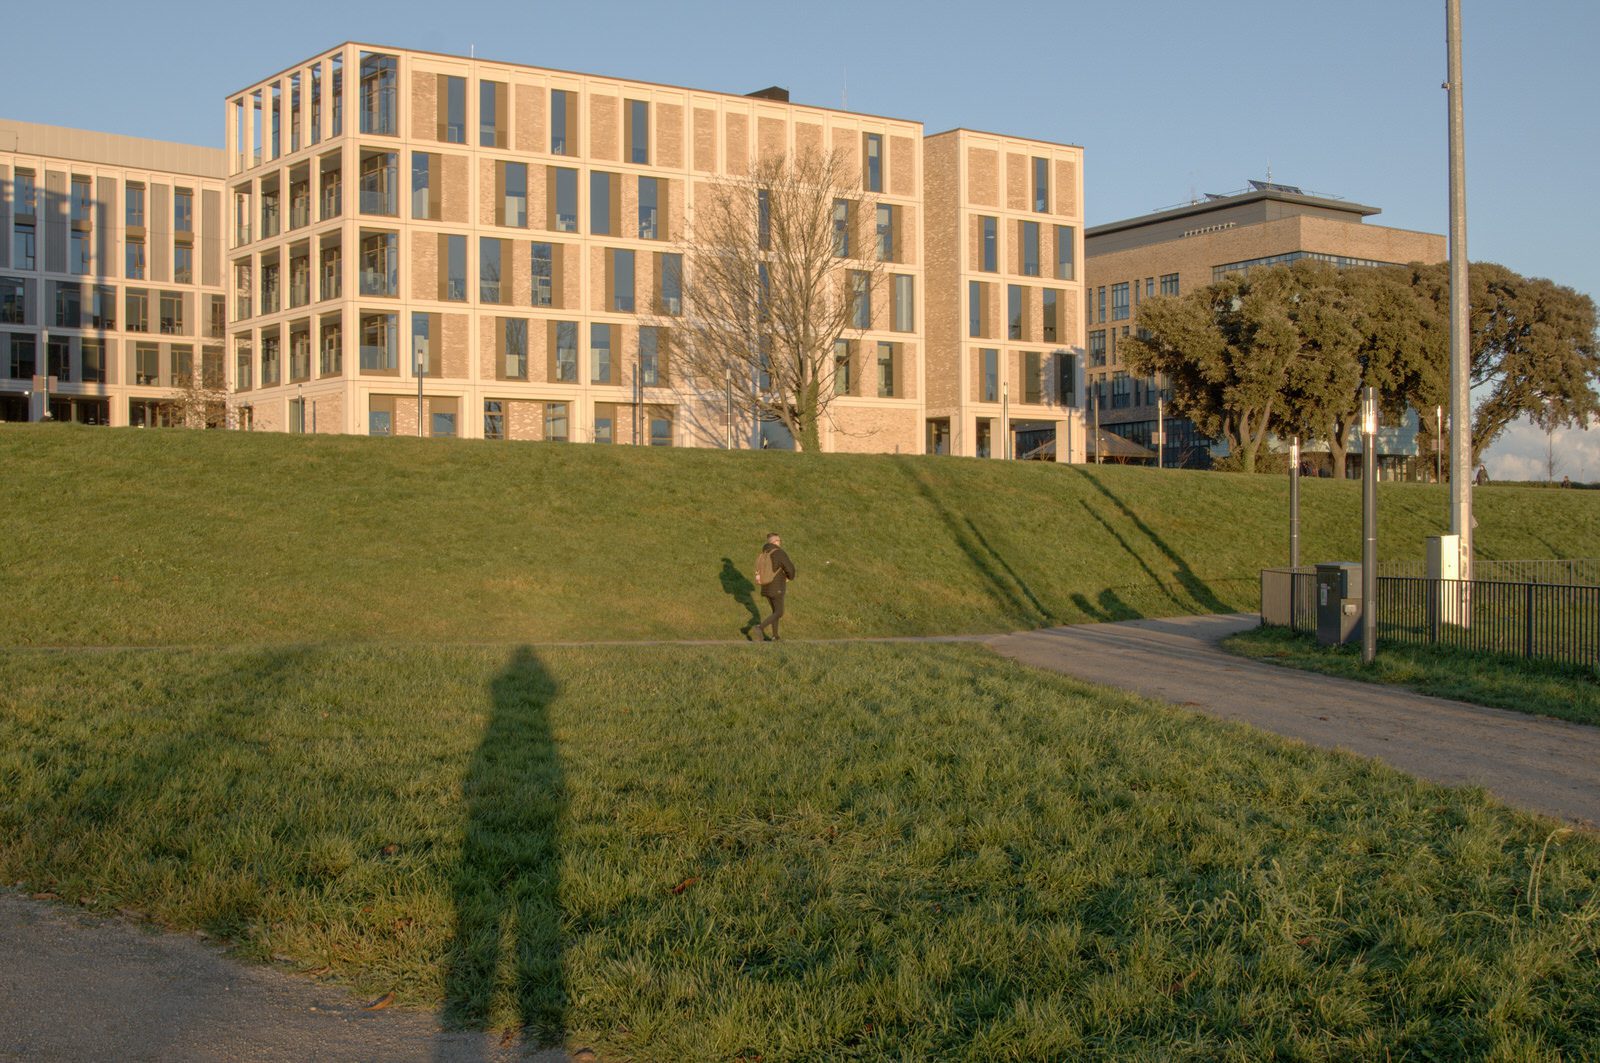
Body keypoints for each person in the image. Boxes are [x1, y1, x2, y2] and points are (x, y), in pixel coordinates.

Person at [752, 532, 796, 642]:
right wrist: (790, 577)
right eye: (779, 541)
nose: (780, 543)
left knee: (775, 611)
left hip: (766, 587)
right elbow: (790, 568)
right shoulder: (779, 553)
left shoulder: (764, 553)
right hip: (777, 586)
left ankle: (775, 636)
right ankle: (760, 628)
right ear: (775, 541)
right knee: (779, 612)